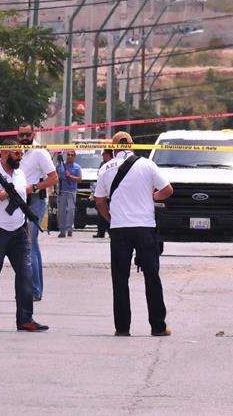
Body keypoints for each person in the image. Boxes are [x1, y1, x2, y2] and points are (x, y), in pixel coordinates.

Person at [94, 131, 174, 337]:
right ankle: (158, 326)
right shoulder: (147, 165)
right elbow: (167, 190)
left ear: (113, 148)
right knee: (152, 276)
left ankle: (122, 327)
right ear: (132, 146)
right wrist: (152, 196)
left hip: (119, 228)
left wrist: (110, 219)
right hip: (144, 227)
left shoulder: (105, 168)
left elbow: (100, 201)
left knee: (120, 279)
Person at [0, 140, 49, 332]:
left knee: (26, 275)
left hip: (19, 231)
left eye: (21, 154)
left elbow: (23, 199)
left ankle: (25, 319)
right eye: (16, 153)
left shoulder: (20, 173)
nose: (20, 156)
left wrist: (27, 230)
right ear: (5, 152)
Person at [17, 124, 58, 301]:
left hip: (35, 200)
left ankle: (33, 290)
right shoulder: (19, 151)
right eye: (21, 134)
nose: (25, 137)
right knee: (32, 245)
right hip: (20, 201)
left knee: (29, 243)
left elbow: (54, 178)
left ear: (33, 134)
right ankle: (35, 288)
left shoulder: (40, 152)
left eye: (27, 134)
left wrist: (33, 187)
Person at [55, 150, 82, 238]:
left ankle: (69, 228)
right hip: (62, 191)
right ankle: (62, 230)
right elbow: (55, 177)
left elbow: (79, 179)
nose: (70, 156)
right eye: (68, 155)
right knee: (61, 211)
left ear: (74, 157)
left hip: (71, 191)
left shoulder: (77, 167)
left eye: (72, 155)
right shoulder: (60, 166)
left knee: (70, 210)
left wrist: (70, 176)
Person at [93, 149, 113, 239]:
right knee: (101, 214)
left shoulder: (113, 163)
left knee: (111, 213)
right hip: (103, 193)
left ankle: (111, 232)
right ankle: (100, 233)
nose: (103, 156)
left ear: (108, 154)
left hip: (111, 193)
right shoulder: (102, 164)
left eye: (104, 154)